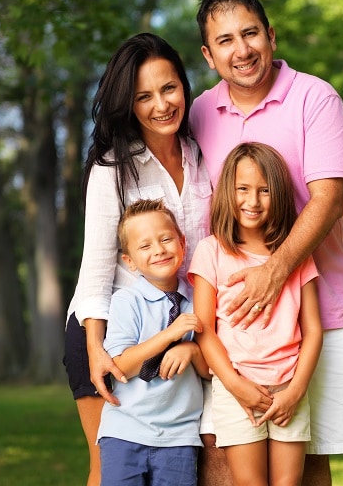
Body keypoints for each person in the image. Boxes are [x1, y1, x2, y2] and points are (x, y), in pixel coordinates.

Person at [192, 0, 343, 485]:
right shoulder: (200, 111)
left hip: (314, 312)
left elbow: (329, 200)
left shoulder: (315, 97)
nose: (240, 50)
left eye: (249, 33)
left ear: (270, 34)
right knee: (222, 458)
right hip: (231, 327)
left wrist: (274, 271)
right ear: (208, 55)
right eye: (224, 40)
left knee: (309, 460)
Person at [63, 33, 212, 486]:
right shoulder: (113, 168)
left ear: (184, 87)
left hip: (186, 324)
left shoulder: (204, 155)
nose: (161, 105)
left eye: (169, 88)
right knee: (109, 471)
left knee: (182, 469)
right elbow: (96, 269)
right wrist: (96, 351)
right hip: (111, 333)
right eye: (143, 96)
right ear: (128, 104)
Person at [189, 142, 323, 485]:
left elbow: (313, 331)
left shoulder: (295, 256)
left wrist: (294, 391)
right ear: (227, 193)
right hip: (237, 391)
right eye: (243, 189)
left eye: (264, 191)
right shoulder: (211, 252)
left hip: (288, 388)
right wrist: (235, 385)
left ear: (277, 194)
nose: (253, 201)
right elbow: (204, 331)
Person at [98, 199, 211, 485]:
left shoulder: (200, 299)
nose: (159, 250)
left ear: (182, 243)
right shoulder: (127, 301)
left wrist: (192, 348)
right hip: (124, 430)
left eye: (166, 239)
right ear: (130, 261)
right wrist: (169, 336)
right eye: (145, 246)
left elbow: (210, 372)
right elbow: (120, 366)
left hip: (179, 435)